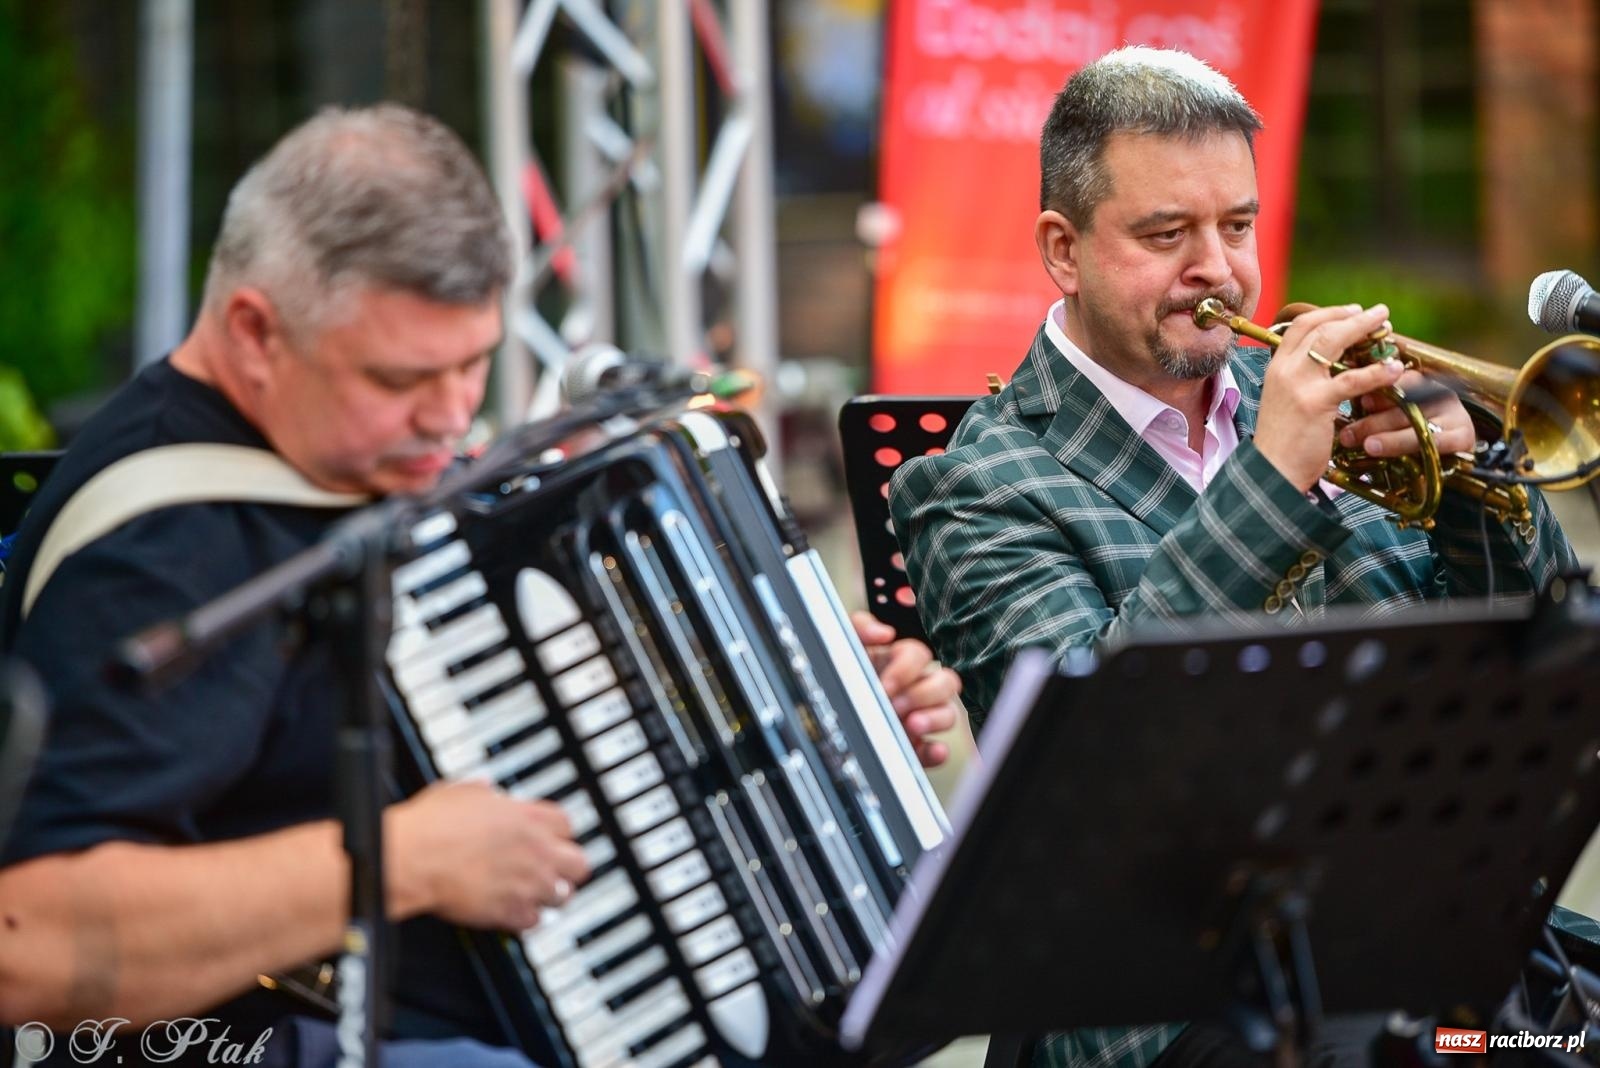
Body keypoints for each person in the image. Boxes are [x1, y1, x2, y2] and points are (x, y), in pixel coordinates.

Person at [0, 104, 959, 1065]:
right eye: (399, 379)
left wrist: (802, 709)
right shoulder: (166, 551)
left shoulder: (361, 468)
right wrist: (396, 863)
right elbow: (25, 946)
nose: (450, 416)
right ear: (255, 333)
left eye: (474, 364)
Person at [888, 47, 1576, 1068]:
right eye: (1166, 234)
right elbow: (1096, 756)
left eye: (1238, 226)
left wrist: (1473, 488)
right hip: (1172, 1006)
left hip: (1418, 947)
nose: (1217, 268)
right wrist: (1270, 484)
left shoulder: (1316, 403)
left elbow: (1530, 665)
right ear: (1063, 250)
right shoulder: (974, 488)